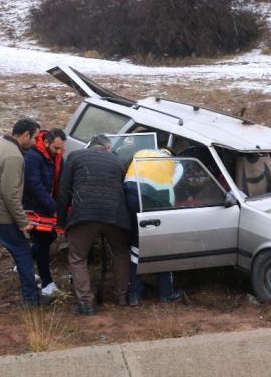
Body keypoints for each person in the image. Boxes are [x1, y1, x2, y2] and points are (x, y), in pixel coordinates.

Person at [0, 118, 52, 312]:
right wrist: (22, 222)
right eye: (35, 138)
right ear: (25, 135)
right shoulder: (14, 156)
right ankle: (31, 299)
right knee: (23, 253)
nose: (35, 142)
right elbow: (10, 193)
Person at [57, 134, 131, 315]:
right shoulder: (119, 162)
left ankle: (86, 303)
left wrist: (61, 222)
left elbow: (63, 191)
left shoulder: (75, 157)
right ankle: (122, 296)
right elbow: (125, 190)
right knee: (121, 253)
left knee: (77, 258)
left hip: (84, 214)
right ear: (107, 147)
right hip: (115, 215)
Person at [123, 148, 186, 306]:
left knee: (135, 246)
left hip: (129, 195)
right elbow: (174, 184)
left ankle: (134, 295)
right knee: (161, 246)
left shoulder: (142, 152)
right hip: (153, 200)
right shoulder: (175, 162)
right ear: (171, 153)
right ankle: (166, 293)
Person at [22, 128, 66, 297]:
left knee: (49, 239)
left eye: (61, 148)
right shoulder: (33, 157)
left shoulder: (58, 156)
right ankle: (47, 282)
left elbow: (62, 179)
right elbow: (35, 186)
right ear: (46, 142)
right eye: (56, 148)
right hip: (35, 208)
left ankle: (25, 260)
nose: (59, 151)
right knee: (42, 244)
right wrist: (54, 208)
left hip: (49, 205)